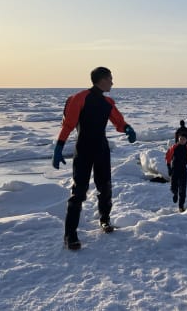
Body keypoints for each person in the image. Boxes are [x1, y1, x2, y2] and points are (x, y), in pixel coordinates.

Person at [52, 66, 136, 250]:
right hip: (83, 150)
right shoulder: (79, 98)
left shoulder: (108, 103)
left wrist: (128, 129)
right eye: (110, 79)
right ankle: (70, 234)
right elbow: (68, 125)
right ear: (101, 80)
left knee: (105, 187)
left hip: (101, 150)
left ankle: (104, 220)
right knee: (78, 193)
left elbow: (118, 122)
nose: (112, 82)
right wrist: (58, 148)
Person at [165, 132, 187, 212]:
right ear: (178, 139)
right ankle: (175, 193)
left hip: (183, 170)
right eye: (181, 139)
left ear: (186, 140)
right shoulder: (174, 147)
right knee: (173, 187)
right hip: (174, 169)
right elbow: (168, 157)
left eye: (184, 139)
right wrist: (169, 167)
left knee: (183, 189)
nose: (182, 141)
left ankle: (181, 206)